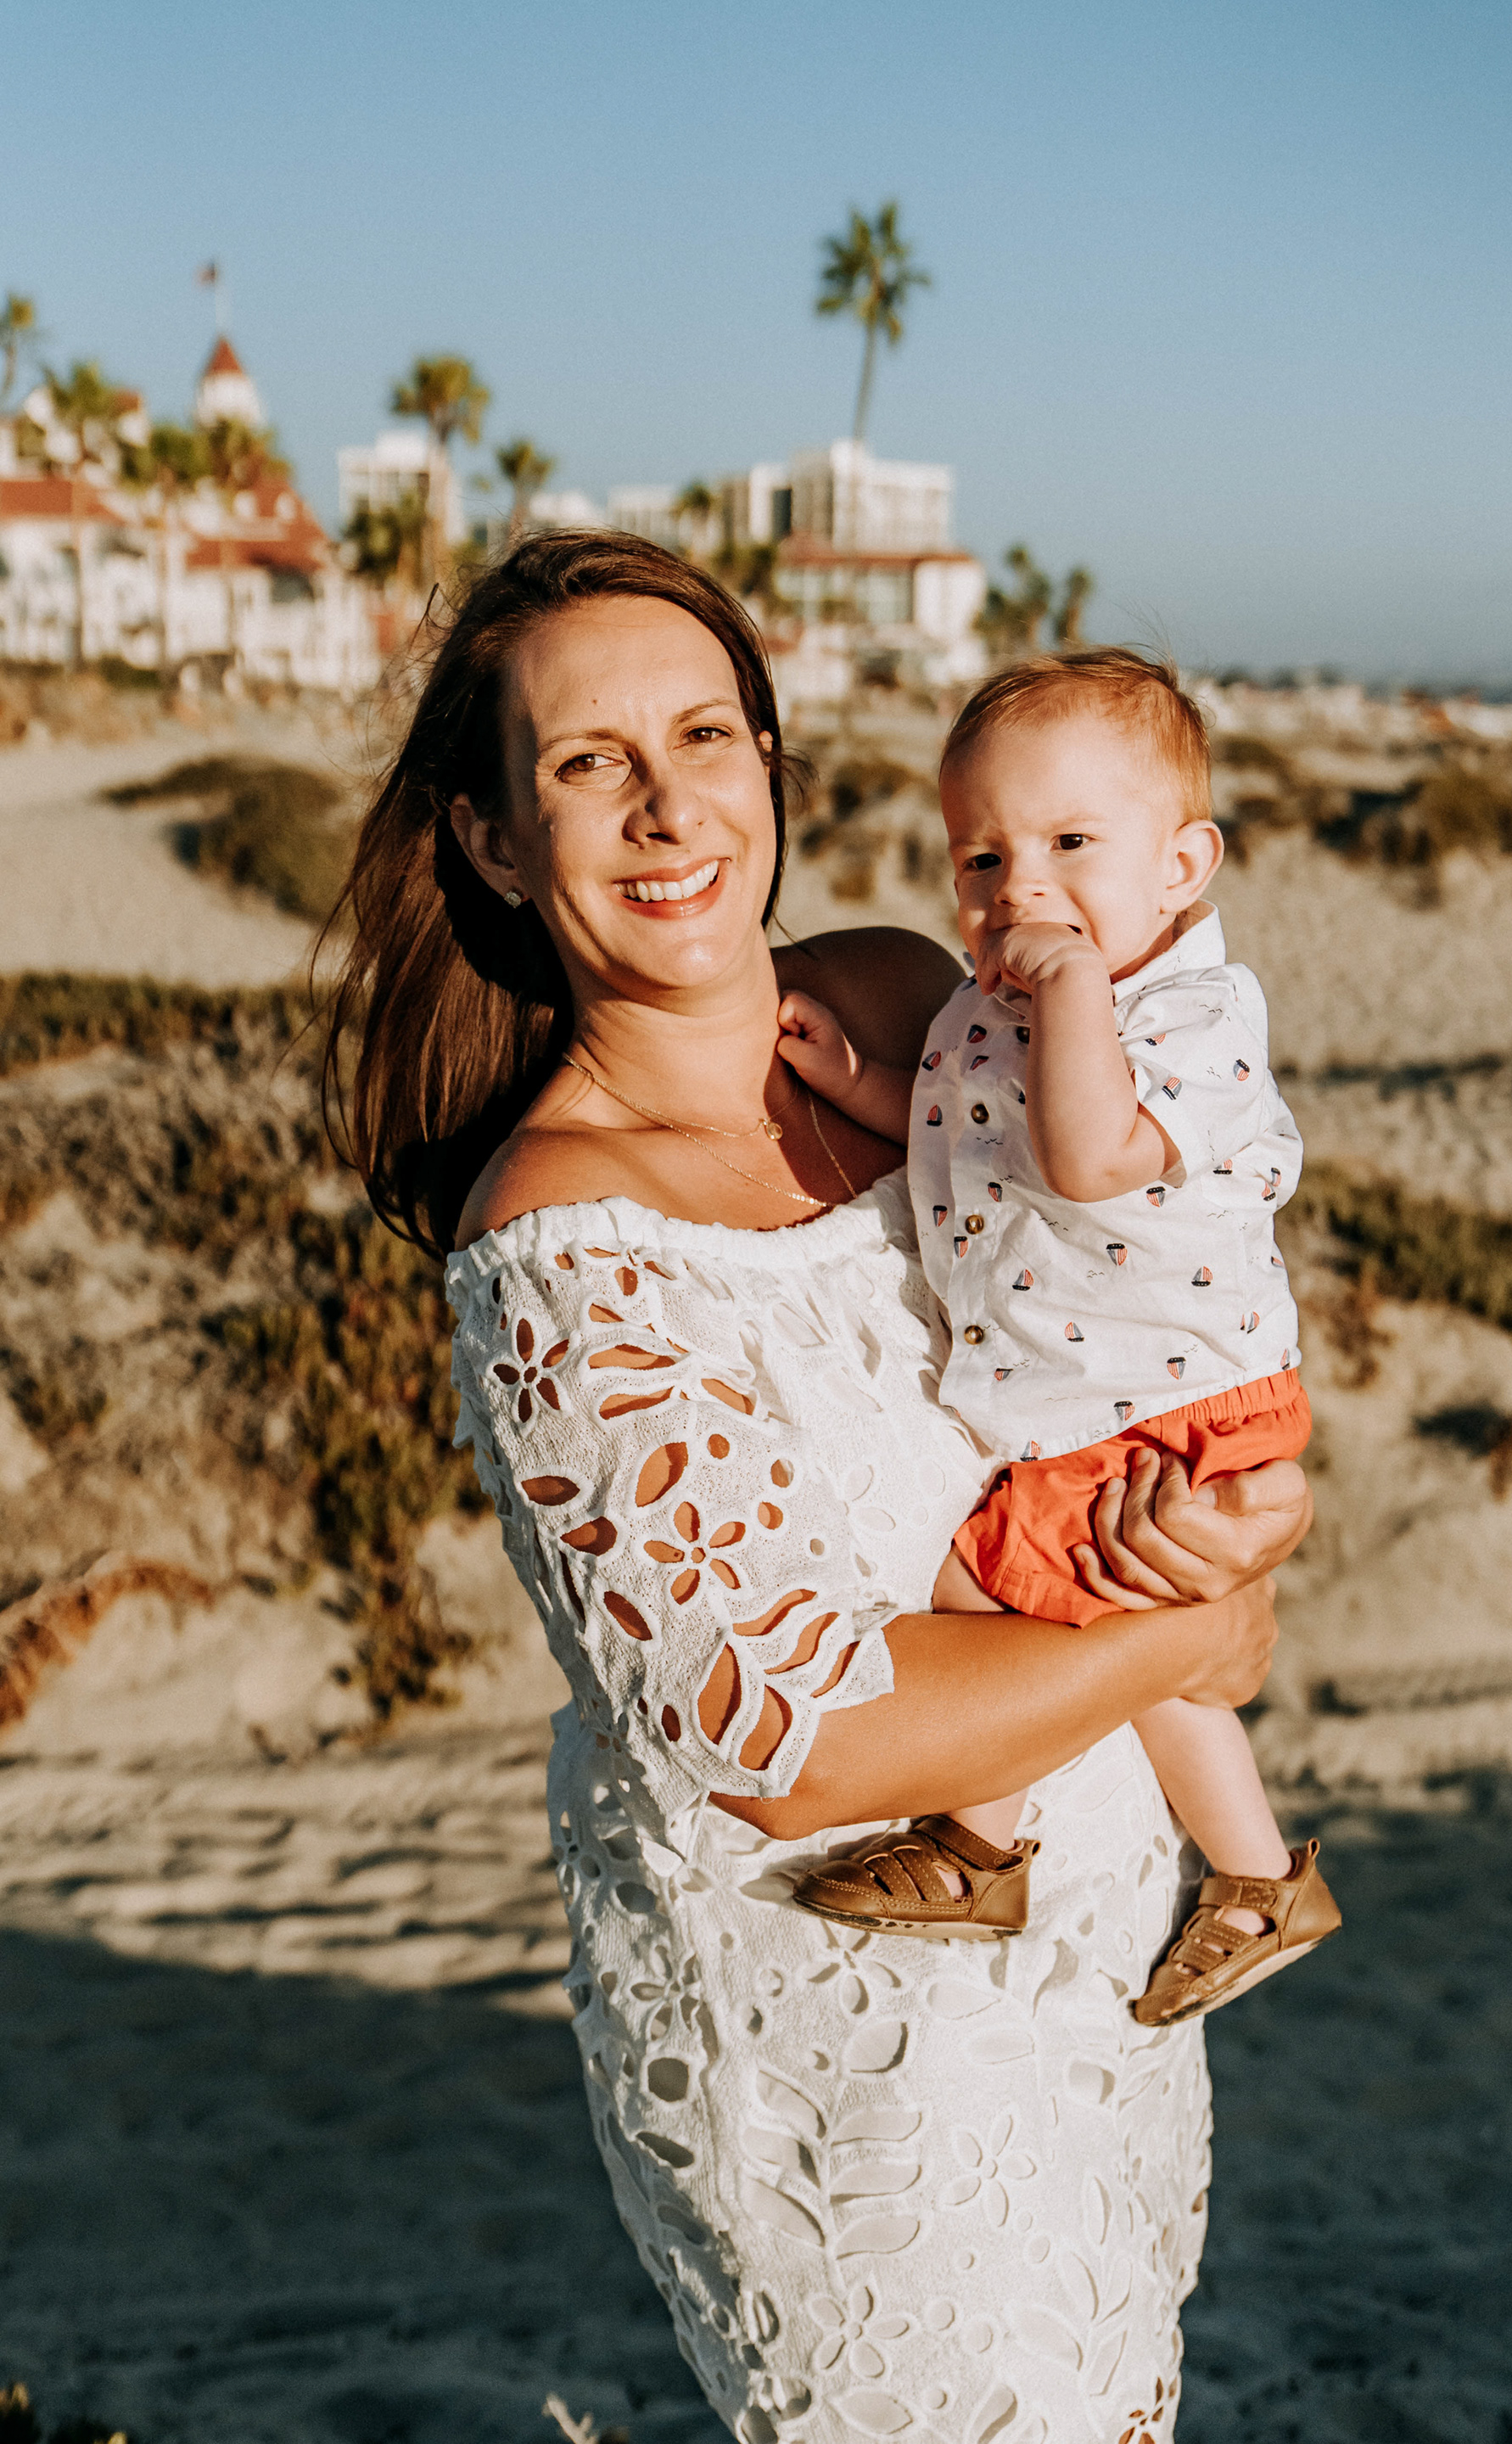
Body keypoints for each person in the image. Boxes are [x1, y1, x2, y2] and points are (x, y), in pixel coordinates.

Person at [330, 532, 1313, 2443]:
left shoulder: (916, 997)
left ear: (771, 764)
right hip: (853, 2041)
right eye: (589, 762)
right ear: (496, 841)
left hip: (1097, 1957)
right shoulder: (557, 1239)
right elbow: (791, 1736)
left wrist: (1241, 1533)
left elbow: (1130, 1314)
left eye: (706, 734)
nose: (668, 802)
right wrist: (1179, 1634)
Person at [776, 650, 1340, 2024]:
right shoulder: (999, 1006)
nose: (1018, 888)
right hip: (1109, 1400)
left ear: (1182, 866)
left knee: (994, 1593)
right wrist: (855, 1076)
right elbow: (956, 1122)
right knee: (1111, 1622)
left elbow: (1088, 1157)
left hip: (1174, 1400)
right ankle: (1248, 1879)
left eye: (1071, 844)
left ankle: (989, 1848)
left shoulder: (1194, 1020)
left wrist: (1076, 990)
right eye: (982, 858)